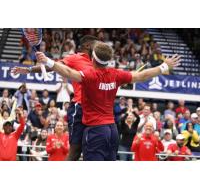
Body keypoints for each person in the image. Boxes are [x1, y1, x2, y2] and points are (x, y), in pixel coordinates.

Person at [35, 41, 180, 161]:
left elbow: (67, 72)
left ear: (92, 58)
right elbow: (141, 76)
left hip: (96, 130)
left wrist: (47, 61)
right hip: (112, 130)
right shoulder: (116, 74)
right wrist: (164, 66)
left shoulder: (90, 75)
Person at [12, 35, 98, 161]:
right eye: (96, 44)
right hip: (79, 107)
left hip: (95, 109)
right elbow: (52, 66)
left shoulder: (97, 62)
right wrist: (29, 69)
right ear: (88, 46)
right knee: (75, 150)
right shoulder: (74, 58)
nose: (99, 47)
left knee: (92, 149)